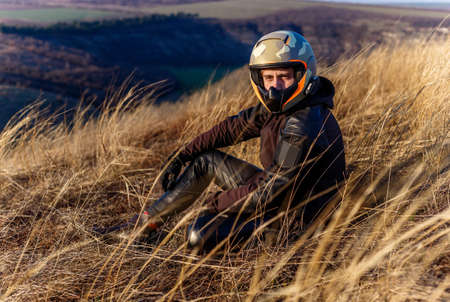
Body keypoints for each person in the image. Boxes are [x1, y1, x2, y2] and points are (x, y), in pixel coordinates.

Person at [100, 30, 346, 251]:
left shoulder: (302, 124)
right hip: (279, 195)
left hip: (294, 220)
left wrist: (217, 203)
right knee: (205, 161)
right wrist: (182, 155)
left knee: (198, 234)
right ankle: (143, 228)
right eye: (268, 78)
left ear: (304, 74)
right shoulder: (285, 106)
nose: (274, 87)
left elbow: (269, 192)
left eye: (283, 77)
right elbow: (232, 128)